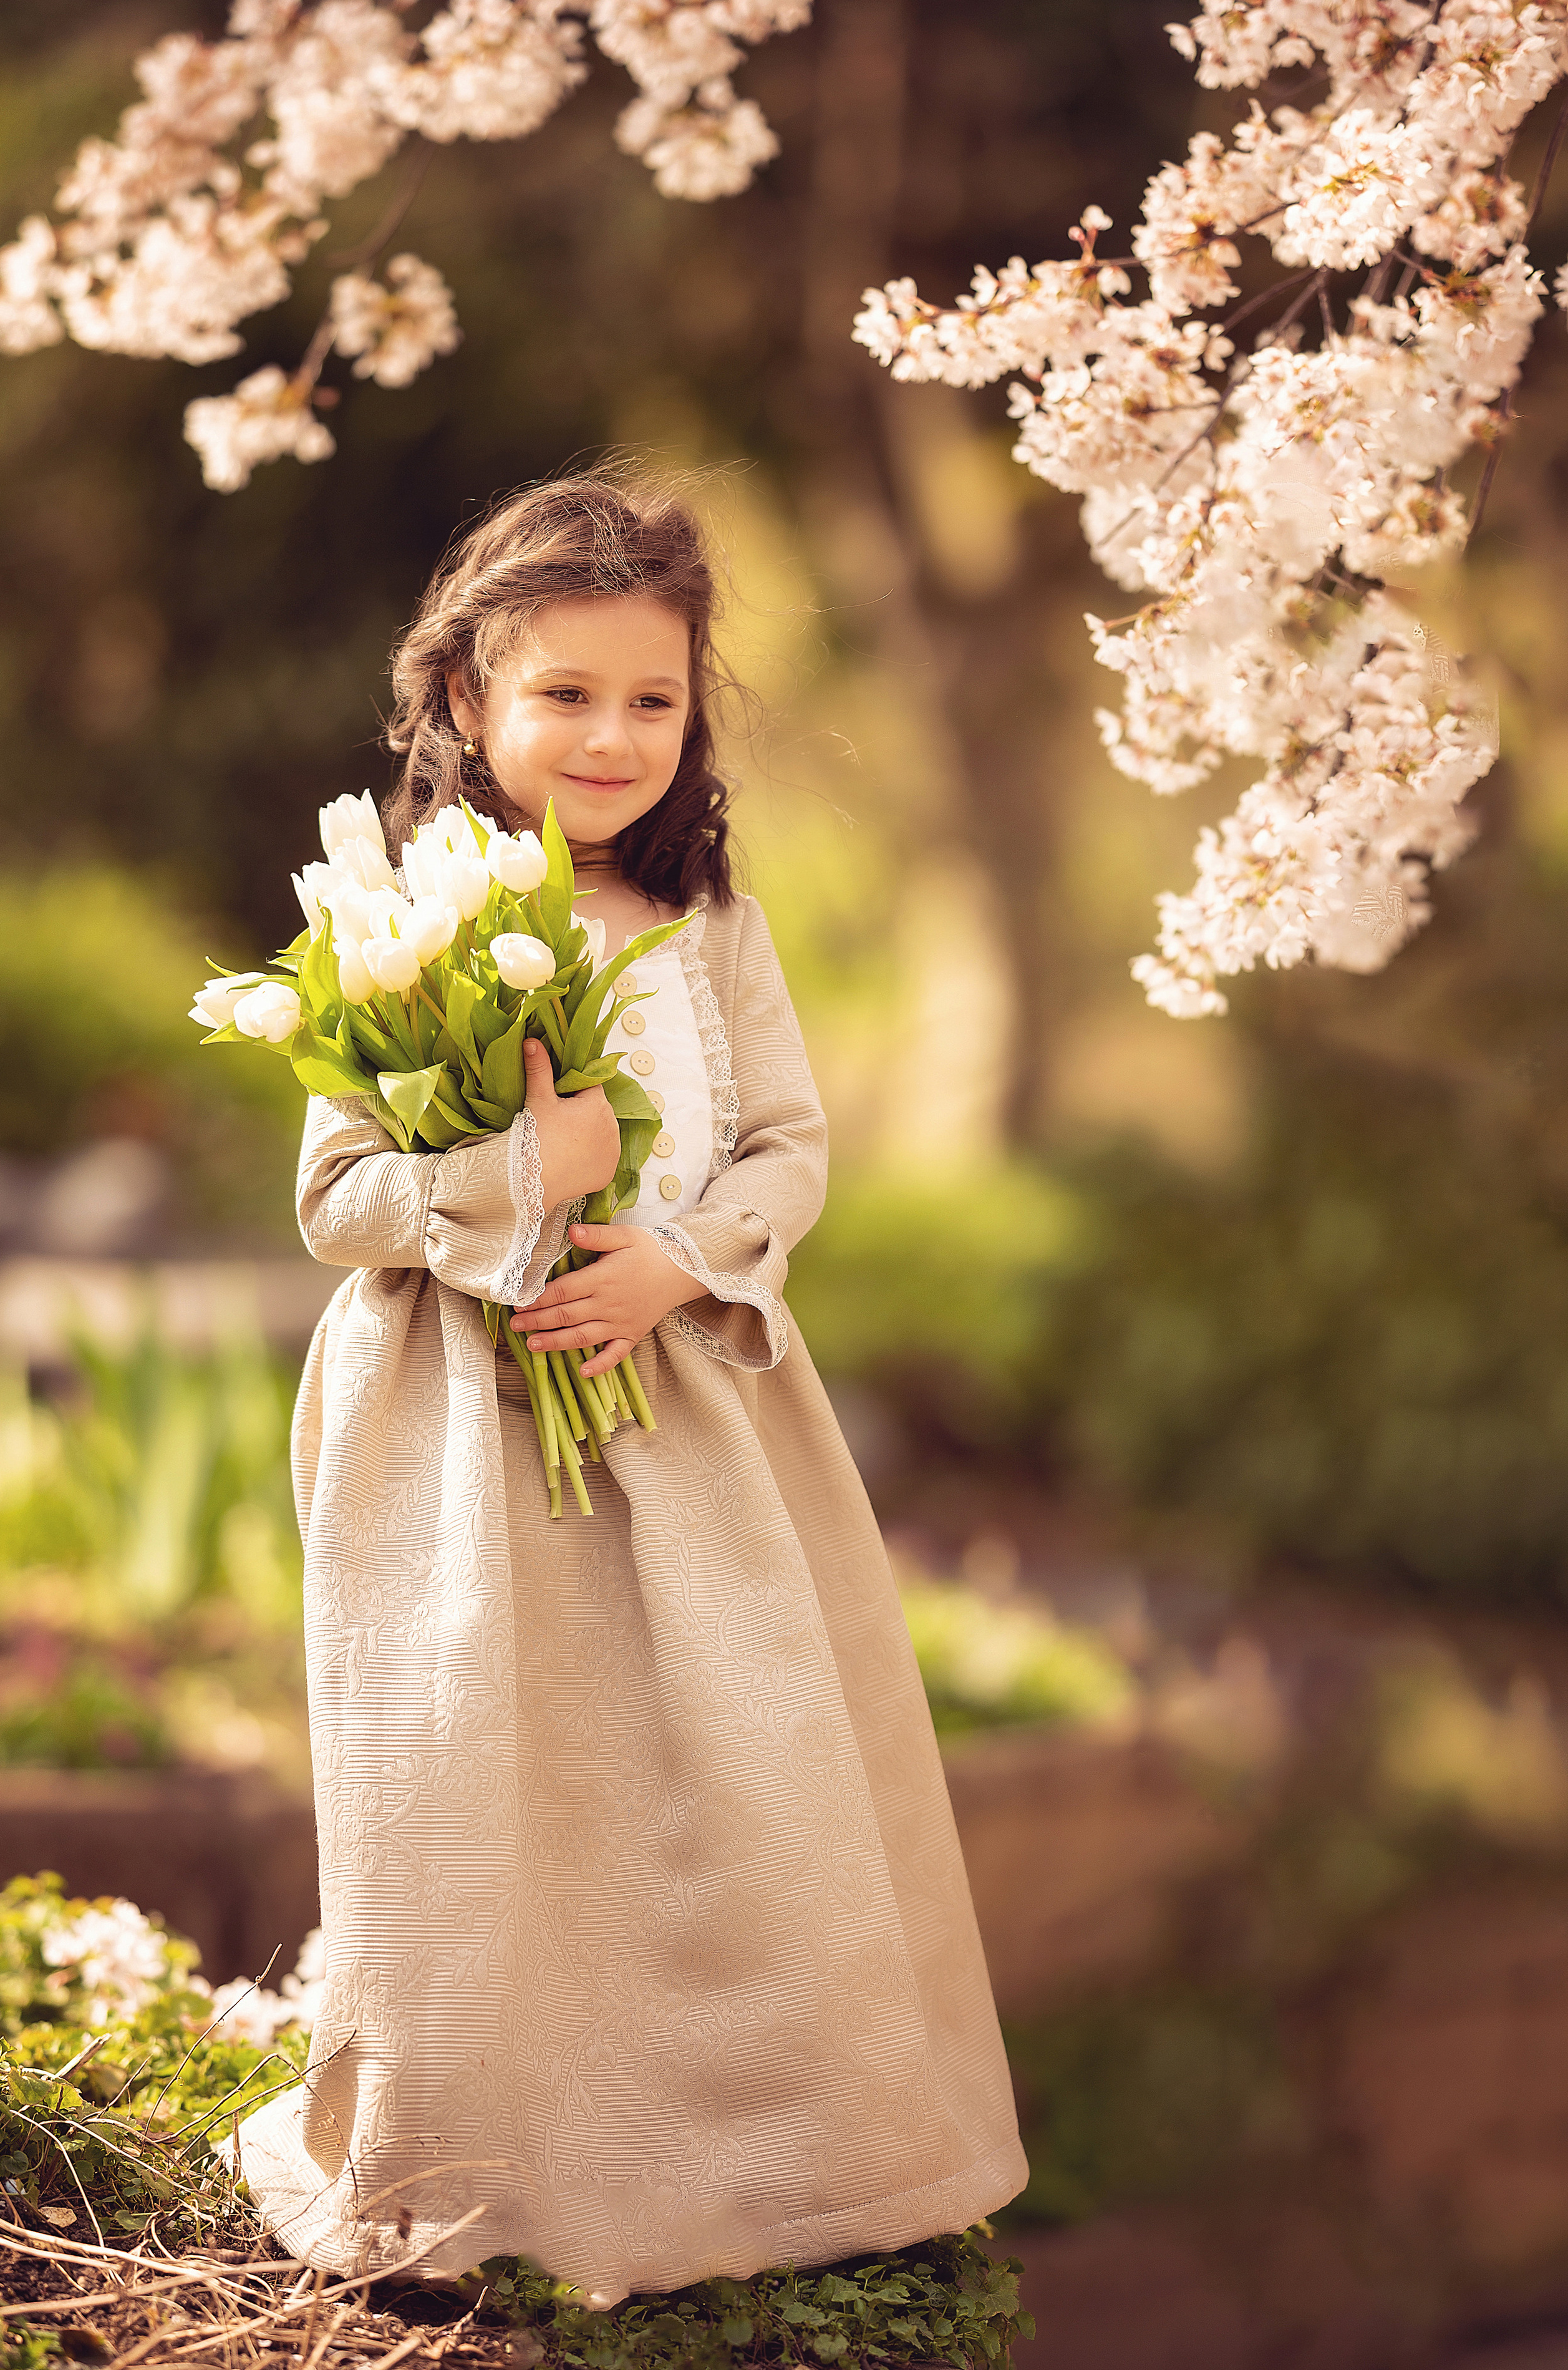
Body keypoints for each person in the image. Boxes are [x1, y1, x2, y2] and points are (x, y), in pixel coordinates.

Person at [232, 469, 1029, 2309]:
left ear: (692, 716)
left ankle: (768, 2149)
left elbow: (788, 1147)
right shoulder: (394, 930)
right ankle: (485, 2159)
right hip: (463, 1436)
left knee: (738, 1771)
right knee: (493, 1778)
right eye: (562, 695)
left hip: (695, 1413)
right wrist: (528, 1176)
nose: (609, 736)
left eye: (650, 700)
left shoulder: (713, 927)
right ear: (466, 705)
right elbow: (341, 1201)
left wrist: (677, 1258)